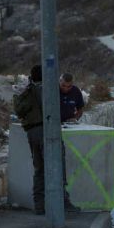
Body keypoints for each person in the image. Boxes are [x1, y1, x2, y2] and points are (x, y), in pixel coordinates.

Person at [13, 65, 78, 215]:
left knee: (39, 169)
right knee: (57, 165)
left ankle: (39, 205)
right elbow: (49, 110)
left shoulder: (26, 89)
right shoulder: (43, 89)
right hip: (46, 131)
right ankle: (63, 203)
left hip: (31, 132)